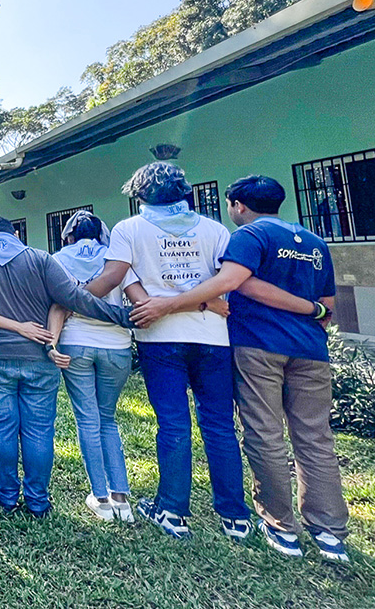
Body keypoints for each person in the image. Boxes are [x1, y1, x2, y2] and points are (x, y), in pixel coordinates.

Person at [129, 176, 349, 561]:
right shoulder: (315, 243)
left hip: (258, 347)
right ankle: (328, 532)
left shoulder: (249, 237)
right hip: (311, 351)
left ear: (238, 206)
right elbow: (326, 306)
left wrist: (165, 304)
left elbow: (234, 285)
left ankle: (281, 527)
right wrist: (309, 310)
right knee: (315, 438)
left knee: (264, 434)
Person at [0, 217, 133, 518]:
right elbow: (75, 298)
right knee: (39, 430)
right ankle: (38, 500)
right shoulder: (42, 259)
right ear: (16, 234)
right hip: (39, 357)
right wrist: (122, 316)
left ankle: (6, 495)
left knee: (1, 426)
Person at [85, 162, 253, 541]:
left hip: (160, 339)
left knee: (174, 424)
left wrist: (69, 300)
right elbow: (226, 285)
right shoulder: (214, 229)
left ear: (140, 195)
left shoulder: (129, 230)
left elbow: (117, 276)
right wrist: (201, 304)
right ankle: (235, 517)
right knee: (220, 426)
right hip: (212, 338)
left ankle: (173, 511)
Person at [48, 211, 137, 521]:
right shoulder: (116, 258)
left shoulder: (58, 258)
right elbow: (134, 296)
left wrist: (52, 343)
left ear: (69, 235)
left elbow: (55, 303)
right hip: (116, 345)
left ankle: (100, 498)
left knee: (88, 419)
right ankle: (121, 499)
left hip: (76, 343)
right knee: (107, 419)